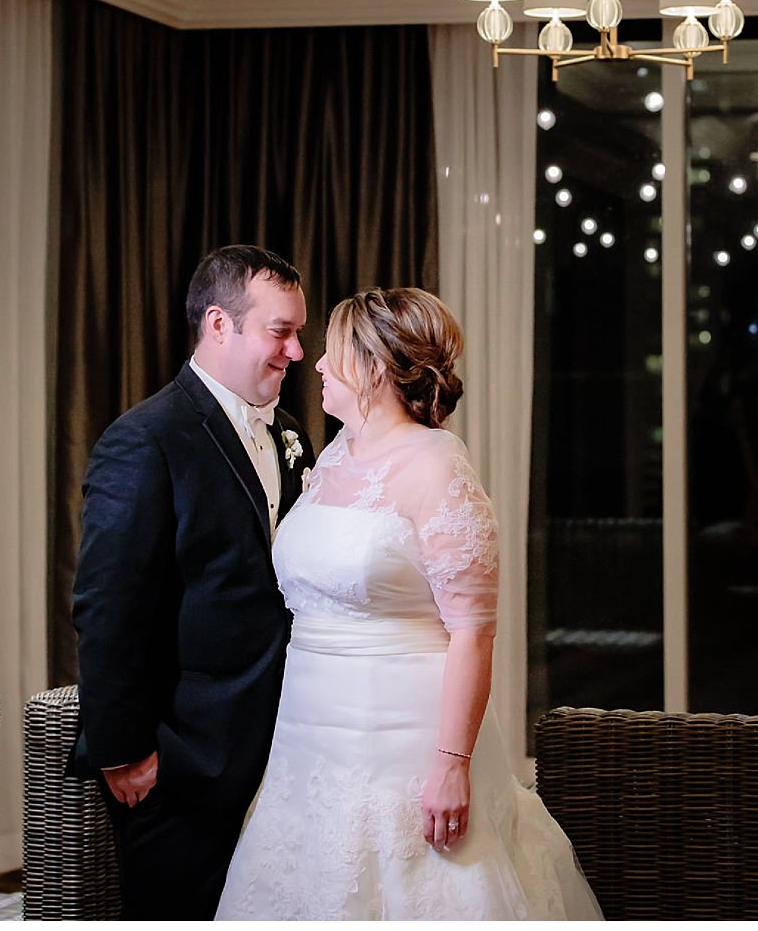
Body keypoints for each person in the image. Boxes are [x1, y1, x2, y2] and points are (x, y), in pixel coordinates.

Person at [216, 286, 600, 919]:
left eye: (332, 352)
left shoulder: (438, 464)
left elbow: (474, 631)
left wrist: (451, 765)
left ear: (373, 365)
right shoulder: (333, 456)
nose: (314, 365)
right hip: (308, 740)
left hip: (402, 738)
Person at [71, 245, 318, 918]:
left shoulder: (293, 436)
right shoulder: (145, 439)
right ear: (218, 324)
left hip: (287, 756)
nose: (296, 352)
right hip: (180, 764)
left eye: (298, 332)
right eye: (282, 332)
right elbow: (107, 606)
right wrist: (125, 753)